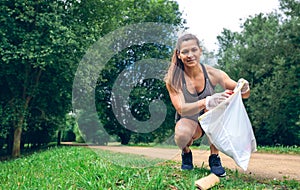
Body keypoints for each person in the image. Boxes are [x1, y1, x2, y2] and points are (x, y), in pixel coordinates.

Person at [164, 33, 250, 177]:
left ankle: (214, 158)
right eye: (185, 52)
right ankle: (186, 153)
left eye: (193, 50)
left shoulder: (213, 73)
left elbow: (242, 93)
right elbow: (181, 108)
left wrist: (245, 87)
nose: (190, 55)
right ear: (179, 55)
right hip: (189, 122)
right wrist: (207, 100)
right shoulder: (174, 79)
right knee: (181, 134)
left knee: (217, 106)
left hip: (211, 120)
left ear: (200, 50)